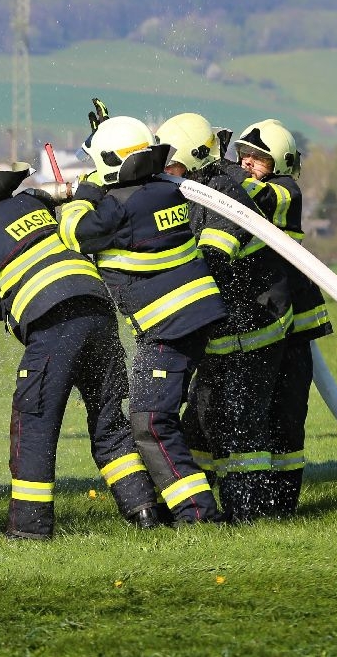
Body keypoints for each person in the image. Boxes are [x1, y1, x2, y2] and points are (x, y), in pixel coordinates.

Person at [0, 158, 161, 539]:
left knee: (34, 426)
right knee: (109, 423)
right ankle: (143, 509)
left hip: (53, 325)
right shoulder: (32, 203)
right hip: (99, 311)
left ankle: (30, 530)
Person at [57, 105, 226, 525]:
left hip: (167, 327)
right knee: (165, 415)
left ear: (111, 164)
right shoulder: (165, 190)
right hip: (197, 315)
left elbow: (75, 232)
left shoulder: (118, 208)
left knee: (149, 420)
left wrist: (84, 192)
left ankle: (198, 515)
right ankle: (188, 504)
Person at [155, 112, 292, 523]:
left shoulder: (224, 194)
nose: (167, 174)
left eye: (172, 165)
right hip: (222, 331)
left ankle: (247, 513)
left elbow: (212, 258)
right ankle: (198, 505)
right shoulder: (199, 186)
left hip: (252, 331)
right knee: (201, 420)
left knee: (241, 425)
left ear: (195, 160)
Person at [235, 119, 333, 516]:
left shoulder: (285, 191)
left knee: (287, 415)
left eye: (257, 159)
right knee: (260, 412)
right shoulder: (246, 188)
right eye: (242, 156)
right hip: (273, 320)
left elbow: (253, 195)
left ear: (281, 163)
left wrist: (218, 172)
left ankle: (282, 503)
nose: (246, 165)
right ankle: (259, 503)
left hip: (295, 325)